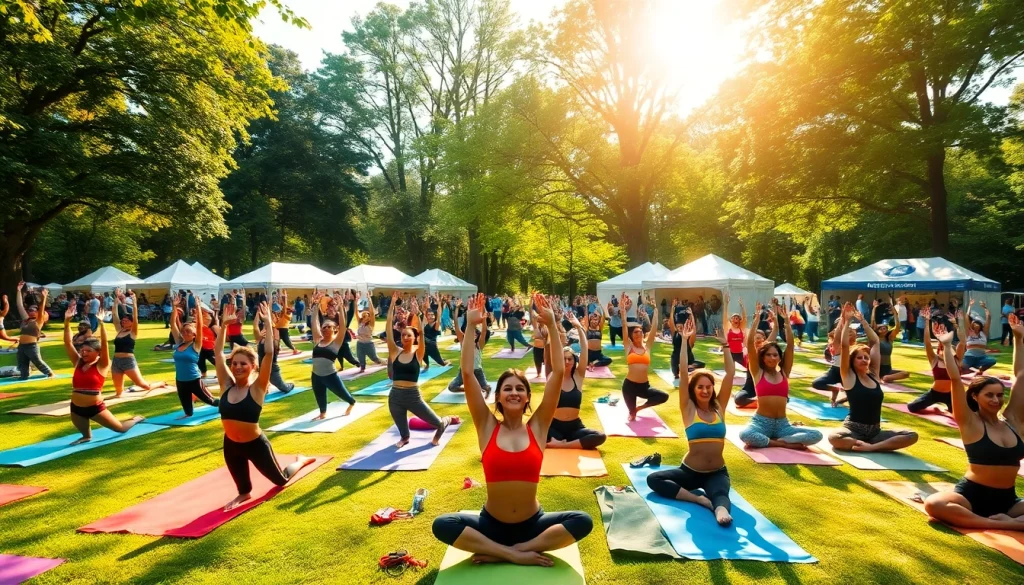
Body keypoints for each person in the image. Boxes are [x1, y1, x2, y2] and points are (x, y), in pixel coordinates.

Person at [432, 293, 592, 565]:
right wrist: (470, 327)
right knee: (442, 523)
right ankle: (513, 554)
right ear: (499, 397)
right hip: (491, 525)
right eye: (507, 388)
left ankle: (512, 549)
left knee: (582, 520)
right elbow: (468, 374)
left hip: (533, 525)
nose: (514, 392)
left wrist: (553, 327)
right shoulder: (486, 425)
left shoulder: (539, 427)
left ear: (528, 397)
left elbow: (556, 375)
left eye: (520, 388)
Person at [924, 314, 1024, 530]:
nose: (996, 400)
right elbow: (955, 379)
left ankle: (1010, 521)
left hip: (1009, 501)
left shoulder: (1012, 421)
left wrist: (1018, 338)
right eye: (989, 395)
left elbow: (1021, 375)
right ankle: (1006, 525)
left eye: (999, 395)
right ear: (975, 396)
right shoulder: (969, 421)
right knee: (934, 504)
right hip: (971, 496)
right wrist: (948, 345)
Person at [214, 302, 316, 512]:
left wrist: (270, 324)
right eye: (234, 363)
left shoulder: (258, 388)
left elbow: (268, 354)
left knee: (280, 480)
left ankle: (301, 461)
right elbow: (217, 355)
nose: (237, 367)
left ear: (253, 366)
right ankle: (243, 493)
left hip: (255, 445)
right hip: (231, 445)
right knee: (244, 489)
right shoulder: (226, 385)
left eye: (243, 363)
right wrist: (223, 326)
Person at [647, 319, 735, 526]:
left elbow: (730, 374)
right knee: (654, 480)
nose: (705, 390)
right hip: (689, 472)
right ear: (693, 390)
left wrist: (726, 345)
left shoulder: (719, 407)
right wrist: (685, 342)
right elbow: (684, 371)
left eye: (709, 387)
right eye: (700, 387)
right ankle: (697, 498)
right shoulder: (688, 409)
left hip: (717, 471)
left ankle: (719, 509)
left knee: (721, 494)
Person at [828, 303, 918, 452]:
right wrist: (847, 321)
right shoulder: (848, 376)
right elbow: (844, 346)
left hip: (875, 432)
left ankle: (871, 447)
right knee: (834, 438)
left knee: (911, 435)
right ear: (852, 361)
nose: (864, 360)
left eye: (866, 357)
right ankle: (865, 444)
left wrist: (863, 321)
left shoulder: (874, 375)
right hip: (852, 429)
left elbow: (875, 341)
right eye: (859, 358)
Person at [739, 303, 823, 449]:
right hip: (761, 422)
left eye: (775, 355)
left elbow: (790, 346)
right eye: (768, 355)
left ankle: (776, 440)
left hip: (783, 424)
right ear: (763, 358)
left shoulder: (784, 373)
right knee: (745, 435)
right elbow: (751, 346)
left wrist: (786, 321)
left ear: (779, 357)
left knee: (817, 435)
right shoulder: (757, 373)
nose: (772, 358)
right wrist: (756, 320)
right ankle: (781, 443)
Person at [61, 304, 144, 445]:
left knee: (121, 428)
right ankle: (86, 436)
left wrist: (101, 323)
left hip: (95, 408)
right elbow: (68, 343)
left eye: (88, 351)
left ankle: (135, 419)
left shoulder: (102, 365)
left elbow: (104, 345)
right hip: (76, 408)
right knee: (85, 435)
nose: (83, 353)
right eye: (82, 350)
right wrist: (67, 321)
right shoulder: (78, 362)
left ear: (97, 353)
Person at [385, 292, 454, 448]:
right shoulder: (395, 351)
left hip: (412, 396)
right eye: (403, 335)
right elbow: (388, 328)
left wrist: (421, 313)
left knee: (437, 423)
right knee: (402, 428)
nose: (405, 338)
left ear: (414, 338)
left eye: (408, 336)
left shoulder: (418, 353)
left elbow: (421, 332)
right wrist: (392, 304)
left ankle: (446, 421)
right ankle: (405, 438)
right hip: (395, 396)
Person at [547, 311, 606, 450]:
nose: (567, 361)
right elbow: (553, 351)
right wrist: (552, 326)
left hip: (574, 427)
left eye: (570, 358)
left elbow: (585, 351)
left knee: (600, 436)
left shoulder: (578, 376)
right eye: (564, 358)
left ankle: (561, 445)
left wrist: (579, 327)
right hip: (555, 426)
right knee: (532, 433)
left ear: (575, 361)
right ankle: (562, 442)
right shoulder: (554, 376)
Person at [307, 292, 357, 421]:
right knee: (319, 394)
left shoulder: (336, 342)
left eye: (329, 326)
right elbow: (314, 322)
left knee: (342, 394)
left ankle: (351, 402)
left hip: (330, 375)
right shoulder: (318, 339)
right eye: (324, 326)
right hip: (316, 374)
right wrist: (316, 305)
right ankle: (322, 412)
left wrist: (340, 306)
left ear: (335, 329)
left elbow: (343, 325)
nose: (325, 328)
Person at [110, 290, 167, 398]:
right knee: (118, 393)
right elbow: (114, 315)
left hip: (128, 361)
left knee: (143, 385)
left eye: (126, 320)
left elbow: (135, 318)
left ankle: (160, 383)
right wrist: (116, 301)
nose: (123, 321)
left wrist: (134, 303)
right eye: (123, 320)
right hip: (116, 361)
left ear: (132, 323)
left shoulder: (133, 332)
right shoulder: (120, 330)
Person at [908, 309, 966, 414]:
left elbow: (962, 342)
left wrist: (956, 324)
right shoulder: (934, 359)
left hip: (951, 394)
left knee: (963, 412)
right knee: (912, 407)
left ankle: (944, 408)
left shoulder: (957, 359)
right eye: (940, 347)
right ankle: (937, 408)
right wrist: (927, 321)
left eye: (944, 348)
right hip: (934, 393)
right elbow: (927, 342)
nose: (942, 350)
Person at [170, 299, 219, 418]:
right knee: (187, 409)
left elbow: (198, 329)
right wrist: (174, 308)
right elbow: (172, 324)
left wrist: (197, 308)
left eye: (188, 331)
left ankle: (228, 404)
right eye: (183, 331)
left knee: (210, 401)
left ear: (194, 335)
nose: (185, 333)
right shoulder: (179, 343)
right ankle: (188, 413)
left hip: (194, 380)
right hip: (180, 380)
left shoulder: (196, 345)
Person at [621, 294, 666, 421]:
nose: (638, 333)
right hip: (629, 386)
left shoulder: (648, 347)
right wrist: (623, 312)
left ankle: (639, 408)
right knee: (632, 416)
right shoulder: (629, 347)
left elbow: (654, 328)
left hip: (644, 386)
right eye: (635, 332)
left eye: (640, 331)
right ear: (632, 335)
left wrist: (656, 310)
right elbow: (624, 326)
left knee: (664, 396)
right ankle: (633, 410)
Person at [14, 283, 54, 380]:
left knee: (37, 361)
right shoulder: (26, 319)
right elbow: (19, 305)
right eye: (30, 310)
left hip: (31, 346)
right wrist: (18, 290)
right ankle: (24, 376)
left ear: (37, 312)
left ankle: (50, 373)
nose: (31, 311)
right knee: (22, 363)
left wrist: (43, 297)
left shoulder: (39, 321)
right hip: (21, 346)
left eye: (33, 310)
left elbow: (41, 309)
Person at [252, 303, 294, 394]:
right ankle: (266, 386)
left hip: (273, 369)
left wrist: (268, 321)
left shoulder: (275, 332)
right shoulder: (261, 336)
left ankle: (290, 385)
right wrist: (258, 314)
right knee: (261, 390)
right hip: (262, 367)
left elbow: (272, 344)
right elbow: (255, 327)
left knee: (285, 388)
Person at [869, 300, 910, 384]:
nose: (884, 329)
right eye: (881, 328)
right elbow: (873, 322)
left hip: (888, 367)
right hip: (877, 367)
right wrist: (874, 309)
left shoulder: (890, 339)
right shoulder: (875, 339)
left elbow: (897, 326)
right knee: (884, 376)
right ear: (878, 330)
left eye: (885, 328)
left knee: (906, 373)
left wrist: (895, 313)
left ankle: (885, 378)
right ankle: (882, 377)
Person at [669, 302, 703, 380]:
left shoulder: (689, 338)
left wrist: (691, 315)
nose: (679, 327)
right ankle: (686, 369)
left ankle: (689, 367)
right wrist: (672, 309)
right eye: (678, 326)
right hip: (676, 362)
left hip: (689, 361)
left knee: (701, 364)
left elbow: (693, 329)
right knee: (678, 374)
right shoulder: (675, 334)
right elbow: (671, 323)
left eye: (681, 326)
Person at [963, 299, 996, 373]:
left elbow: (989, 317)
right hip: (969, 357)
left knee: (992, 360)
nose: (976, 325)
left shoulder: (984, 333)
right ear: (972, 325)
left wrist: (985, 308)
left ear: (980, 325)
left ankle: (978, 369)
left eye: (977, 323)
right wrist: (970, 306)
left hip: (981, 357)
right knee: (961, 368)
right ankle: (971, 368)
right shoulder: (969, 332)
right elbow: (966, 317)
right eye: (974, 324)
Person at [420, 306, 450, 371]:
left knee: (442, 363)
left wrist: (439, 303)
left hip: (432, 347)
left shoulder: (436, 324)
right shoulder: (425, 323)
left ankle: (447, 362)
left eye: (432, 315)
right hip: (425, 346)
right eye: (429, 315)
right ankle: (427, 365)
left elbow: (439, 317)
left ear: (434, 316)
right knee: (423, 354)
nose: (431, 316)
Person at [355, 307, 384, 372]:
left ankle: (385, 362)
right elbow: (356, 313)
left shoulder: (371, 324)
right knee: (360, 356)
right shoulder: (360, 323)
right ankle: (362, 367)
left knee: (375, 358)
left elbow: (372, 314)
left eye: (368, 316)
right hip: (360, 343)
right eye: (365, 316)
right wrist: (355, 301)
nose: (367, 317)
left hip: (369, 344)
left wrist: (369, 300)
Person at [273, 290, 299, 354]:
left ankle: (294, 349)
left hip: (283, 329)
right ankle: (277, 349)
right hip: (279, 328)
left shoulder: (288, 314)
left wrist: (285, 297)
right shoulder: (286, 313)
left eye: (289, 309)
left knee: (286, 341)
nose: (288, 309)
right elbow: (283, 306)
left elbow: (284, 306)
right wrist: (280, 296)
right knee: (277, 339)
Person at [529, 305, 549, 378]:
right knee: (537, 362)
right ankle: (539, 373)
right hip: (537, 347)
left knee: (547, 362)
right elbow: (532, 314)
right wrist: (531, 302)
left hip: (545, 348)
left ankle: (548, 374)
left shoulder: (547, 327)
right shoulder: (536, 327)